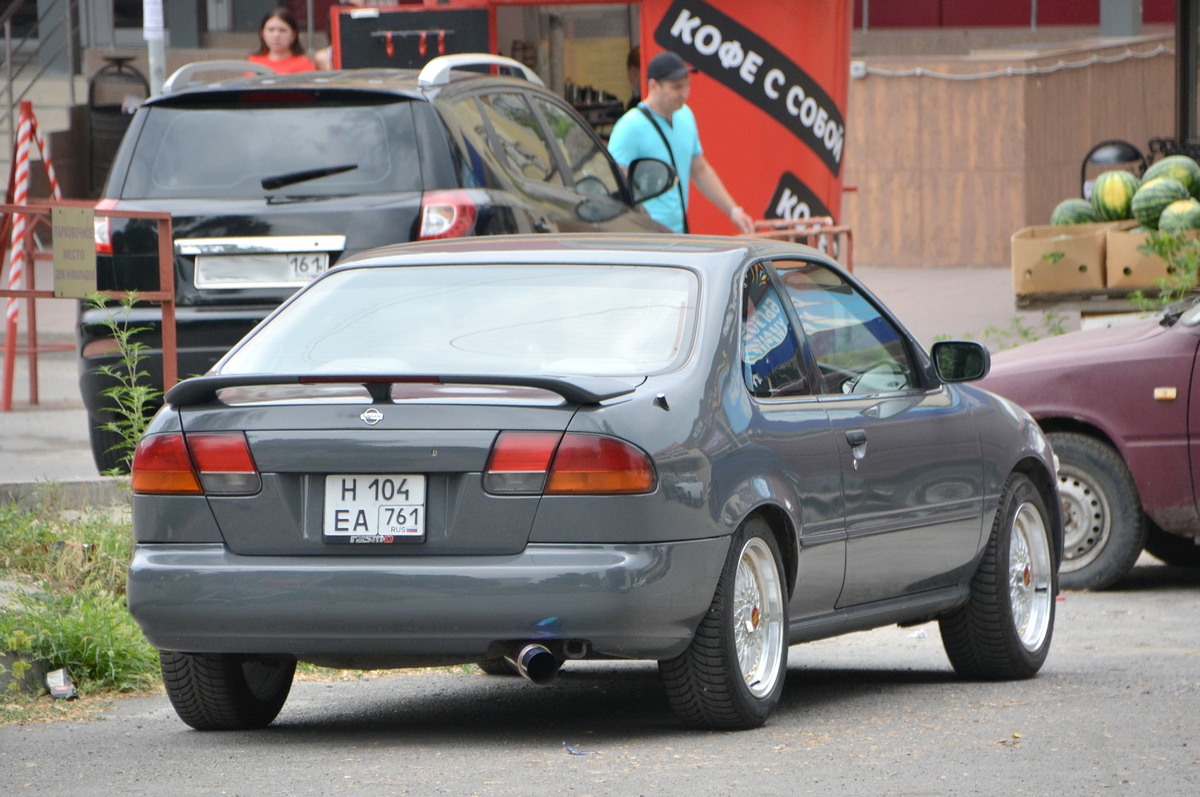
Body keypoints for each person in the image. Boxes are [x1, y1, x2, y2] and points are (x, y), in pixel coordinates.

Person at [608, 50, 755, 236]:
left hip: (679, 233)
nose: (684, 93)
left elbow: (700, 170)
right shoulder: (629, 127)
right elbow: (613, 184)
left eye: (687, 86)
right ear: (653, 86)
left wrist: (733, 211)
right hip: (645, 238)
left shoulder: (686, 116)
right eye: (677, 87)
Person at [248, 8, 315, 74]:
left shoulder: (303, 64)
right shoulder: (254, 62)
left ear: (293, 35)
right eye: (271, 30)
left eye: (282, 30)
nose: (276, 35)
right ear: (262, 34)